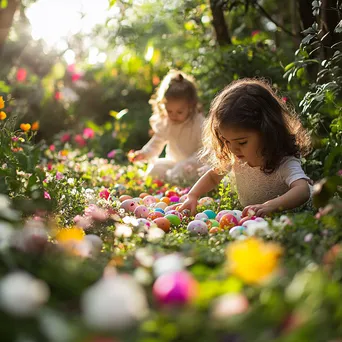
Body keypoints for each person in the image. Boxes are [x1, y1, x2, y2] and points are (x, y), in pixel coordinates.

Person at [178, 78, 312, 217]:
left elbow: (302, 190)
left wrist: (272, 206)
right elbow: (213, 177)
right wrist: (192, 195)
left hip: (288, 218)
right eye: (227, 141)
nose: (233, 149)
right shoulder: (236, 157)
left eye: (242, 142)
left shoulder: (282, 161)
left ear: (267, 132)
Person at [130, 70, 205, 183]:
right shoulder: (167, 122)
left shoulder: (198, 123)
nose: (174, 116)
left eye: (179, 112)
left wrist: (190, 163)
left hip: (194, 165)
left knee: (181, 171)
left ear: (191, 106)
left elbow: (204, 150)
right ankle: (170, 179)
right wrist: (144, 154)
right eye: (169, 111)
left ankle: (176, 181)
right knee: (156, 168)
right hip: (173, 162)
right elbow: (156, 142)